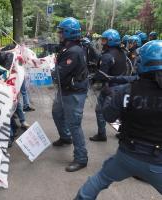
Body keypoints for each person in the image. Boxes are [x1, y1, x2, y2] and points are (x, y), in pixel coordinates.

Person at [75, 40, 162, 200]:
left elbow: (108, 116)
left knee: (98, 181)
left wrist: (110, 96)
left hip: (127, 156)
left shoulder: (127, 91)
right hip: (157, 163)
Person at [52, 17, 89, 172]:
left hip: (74, 93)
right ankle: (65, 137)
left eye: (61, 31)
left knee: (74, 124)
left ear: (68, 33)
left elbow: (58, 74)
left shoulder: (73, 51)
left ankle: (81, 158)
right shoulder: (69, 47)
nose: (59, 34)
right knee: (57, 113)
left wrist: (49, 69)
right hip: (65, 90)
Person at [90, 29, 128, 142]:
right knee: (122, 112)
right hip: (122, 86)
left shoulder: (107, 56)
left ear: (111, 41)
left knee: (100, 110)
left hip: (109, 87)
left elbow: (102, 75)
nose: (102, 42)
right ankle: (123, 133)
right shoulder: (123, 53)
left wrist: (93, 79)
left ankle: (102, 134)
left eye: (105, 40)